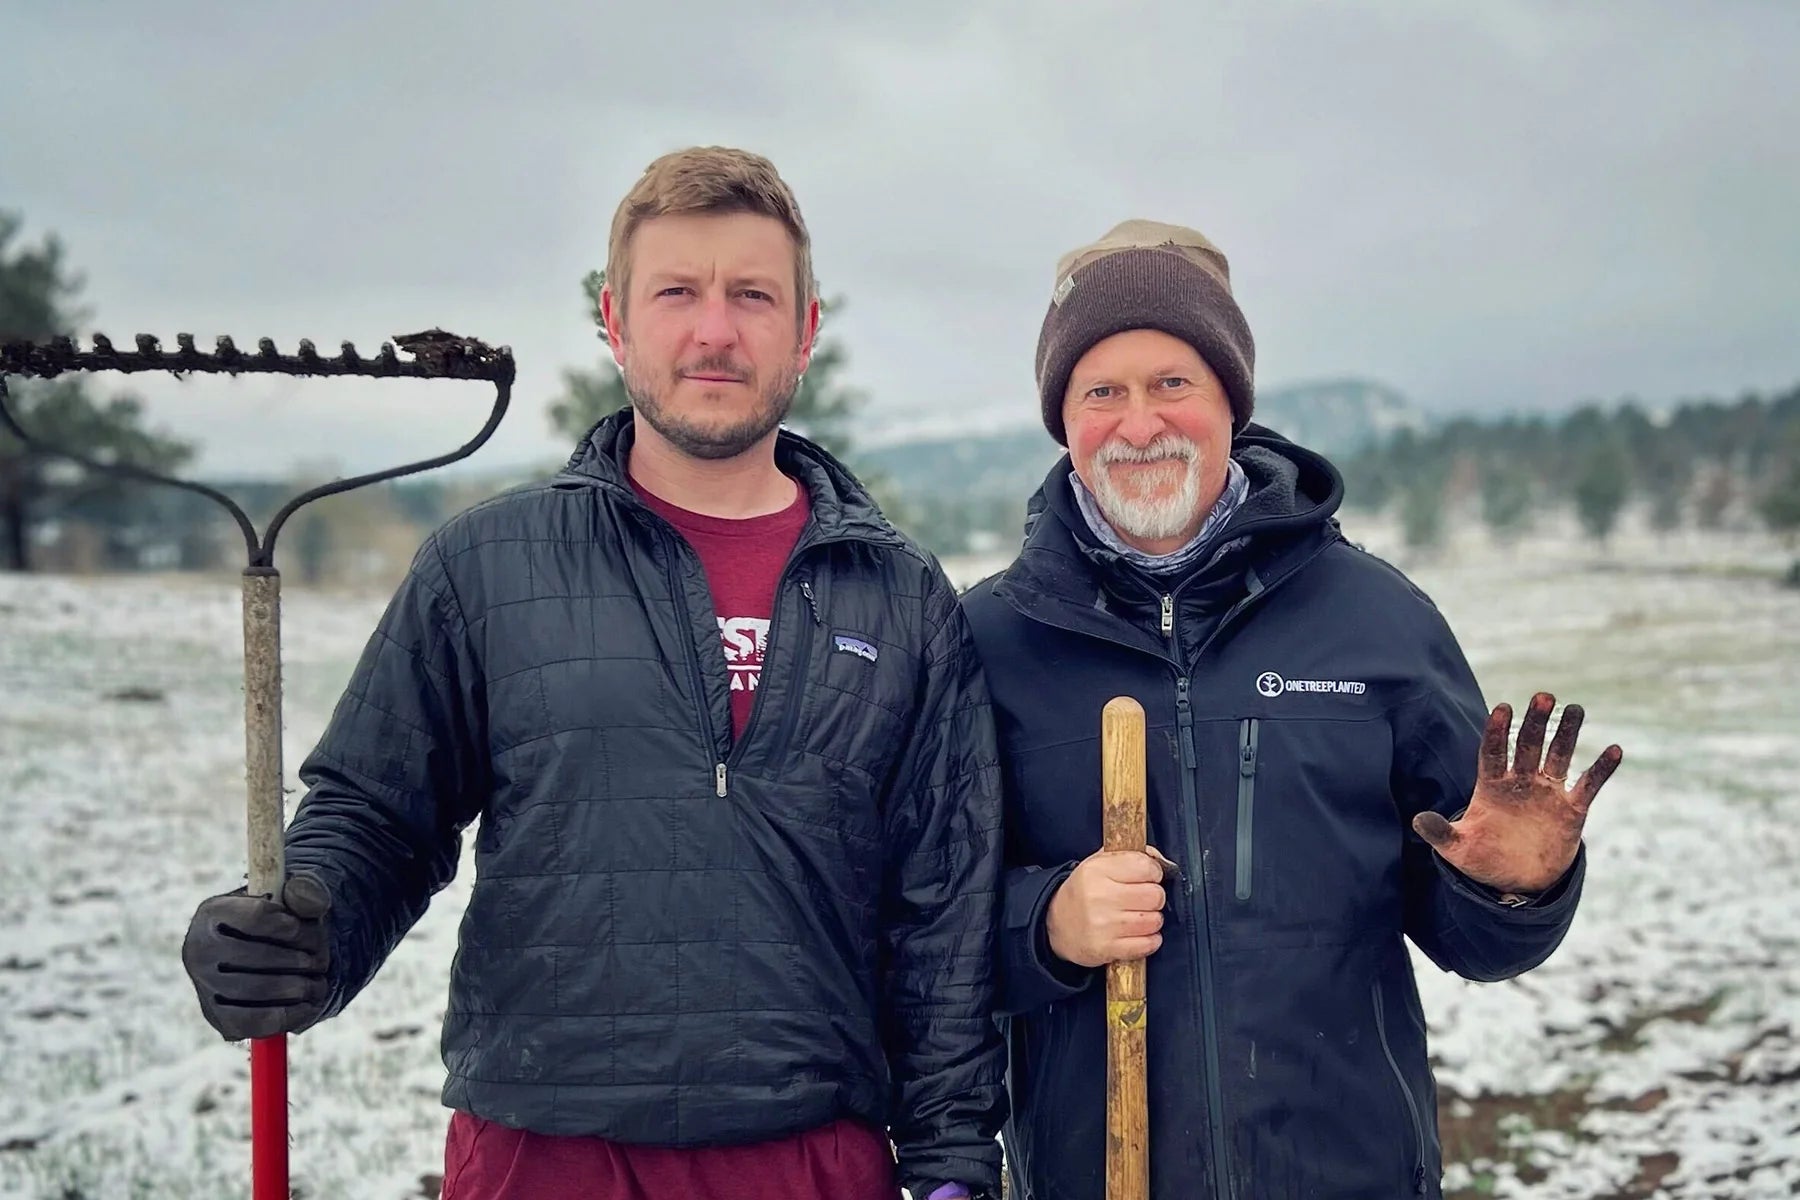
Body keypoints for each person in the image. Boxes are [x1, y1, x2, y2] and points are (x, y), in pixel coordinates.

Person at [181, 146, 1005, 1200]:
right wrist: (309, 922)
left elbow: (943, 908)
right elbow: (380, 814)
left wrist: (950, 1165)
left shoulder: (899, 595)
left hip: (811, 1154)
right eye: (677, 293)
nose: (714, 330)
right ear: (615, 322)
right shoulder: (486, 565)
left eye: (753, 295)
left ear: (804, 332)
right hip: (545, 1150)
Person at [960, 220, 1623, 1200]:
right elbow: (928, 934)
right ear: (1065, 419)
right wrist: (1046, 923)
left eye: (1173, 383)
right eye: (1103, 390)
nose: (1140, 423)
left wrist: (1511, 889)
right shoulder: (990, 643)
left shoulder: (1373, 620)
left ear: (1231, 400)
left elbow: (1471, 937)